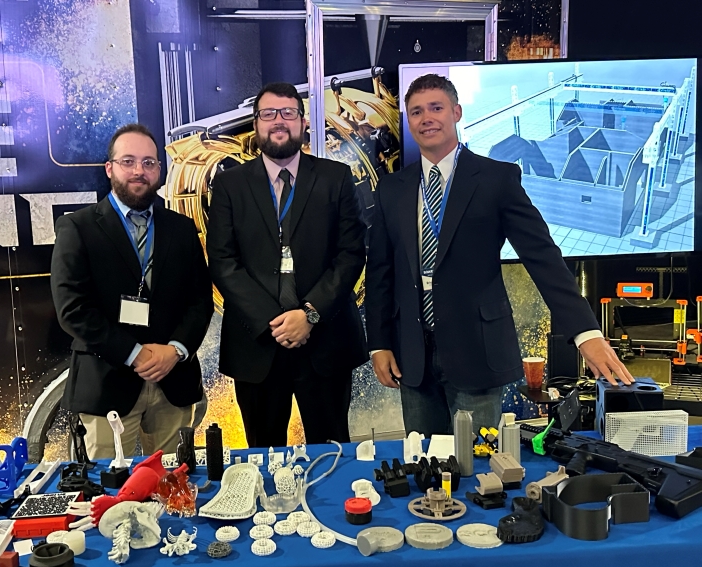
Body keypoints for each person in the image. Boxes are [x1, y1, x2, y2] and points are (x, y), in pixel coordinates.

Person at [365, 74, 633, 437]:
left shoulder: (496, 179)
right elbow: (381, 272)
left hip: (475, 350)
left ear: (456, 112)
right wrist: (379, 343)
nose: (426, 117)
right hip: (414, 356)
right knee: (424, 463)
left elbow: (543, 257)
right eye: (416, 112)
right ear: (409, 122)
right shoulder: (392, 189)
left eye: (436, 108)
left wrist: (586, 333)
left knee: (477, 470)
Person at [206, 82, 367, 448]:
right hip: (257, 346)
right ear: (256, 124)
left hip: (325, 343)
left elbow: (351, 253)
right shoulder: (230, 185)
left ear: (303, 121)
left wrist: (308, 314)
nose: (278, 121)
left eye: (287, 113)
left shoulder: (335, 178)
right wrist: (273, 322)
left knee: (331, 453)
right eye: (268, 114)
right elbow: (223, 261)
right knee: (262, 456)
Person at [51, 123, 213, 459]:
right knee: (108, 492)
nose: (139, 171)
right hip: (107, 382)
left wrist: (176, 350)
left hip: (174, 382)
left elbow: (200, 302)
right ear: (109, 169)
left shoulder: (181, 229)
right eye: (128, 161)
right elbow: (73, 310)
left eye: (149, 163)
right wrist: (134, 353)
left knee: (174, 487)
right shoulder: (77, 228)